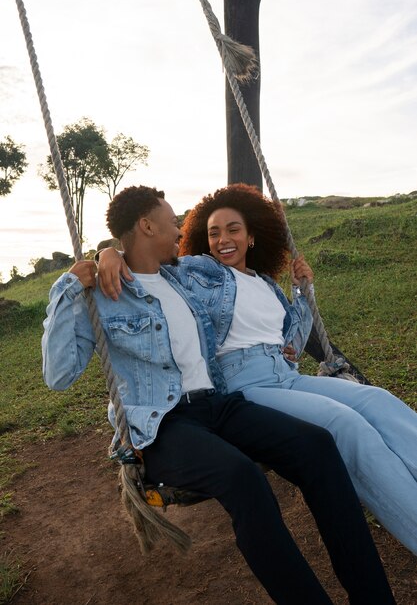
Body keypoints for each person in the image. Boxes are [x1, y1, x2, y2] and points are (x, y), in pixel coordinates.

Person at [42, 186, 396, 605]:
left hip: (216, 404)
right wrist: (71, 283)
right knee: (242, 477)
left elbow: (240, 277)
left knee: (318, 446)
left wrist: (108, 250)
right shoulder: (100, 294)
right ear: (147, 225)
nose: (179, 228)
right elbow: (59, 375)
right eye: (172, 220)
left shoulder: (184, 276)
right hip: (163, 426)